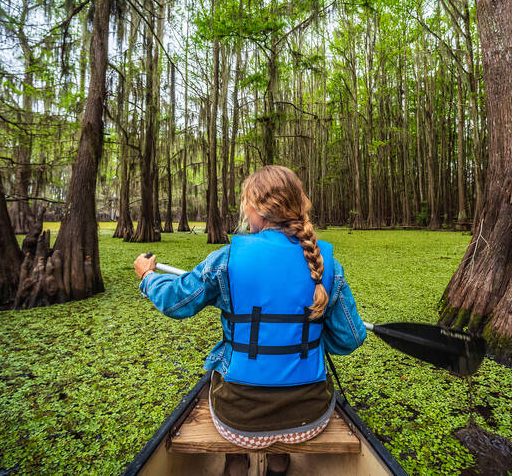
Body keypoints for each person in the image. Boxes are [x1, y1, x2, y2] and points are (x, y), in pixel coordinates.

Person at [133, 165, 366, 476]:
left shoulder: (226, 259)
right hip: (309, 417)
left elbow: (177, 301)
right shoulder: (326, 264)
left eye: (245, 201)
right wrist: (305, 338)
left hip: (239, 421)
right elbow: (349, 339)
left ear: (256, 208)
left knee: (218, 368)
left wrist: (148, 277)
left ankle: (236, 462)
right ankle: (279, 464)